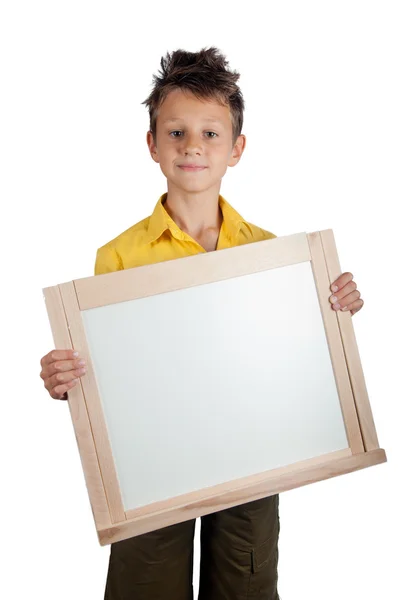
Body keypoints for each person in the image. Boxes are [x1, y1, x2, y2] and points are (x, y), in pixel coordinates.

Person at [39, 46, 365, 600]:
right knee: (147, 585)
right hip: (151, 466)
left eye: (211, 134)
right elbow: (104, 382)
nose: (193, 145)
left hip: (252, 454)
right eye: (176, 132)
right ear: (152, 144)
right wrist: (64, 380)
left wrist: (334, 309)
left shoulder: (272, 256)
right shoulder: (117, 257)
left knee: (245, 582)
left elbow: (291, 359)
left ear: (237, 149)